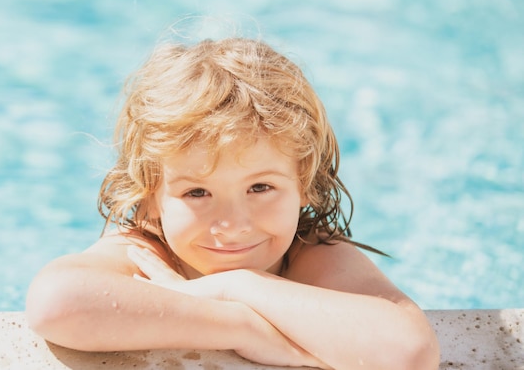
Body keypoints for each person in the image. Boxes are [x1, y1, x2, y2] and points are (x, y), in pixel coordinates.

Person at [26, 37, 440, 369]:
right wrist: (242, 328)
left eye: (260, 188)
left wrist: (237, 285)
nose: (233, 224)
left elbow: (410, 355)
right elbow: (55, 304)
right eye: (197, 193)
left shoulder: (310, 254)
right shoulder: (147, 254)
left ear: (305, 186)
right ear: (148, 200)